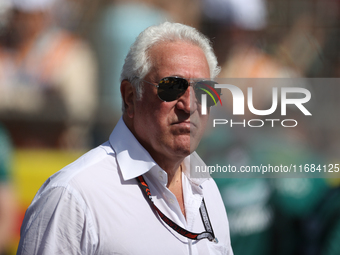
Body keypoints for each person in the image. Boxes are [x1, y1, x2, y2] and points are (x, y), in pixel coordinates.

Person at [17, 22, 233, 254]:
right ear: (130, 96)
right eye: (172, 87)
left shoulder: (206, 188)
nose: (189, 105)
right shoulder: (73, 195)